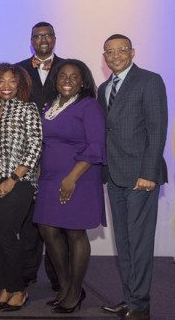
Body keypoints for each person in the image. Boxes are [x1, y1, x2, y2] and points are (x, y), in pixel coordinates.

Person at [98, 34, 167, 320]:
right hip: (114, 176)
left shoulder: (150, 81)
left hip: (141, 177)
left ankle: (140, 304)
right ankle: (128, 298)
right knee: (124, 242)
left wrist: (149, 173)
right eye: (109, 52)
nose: (115, 55)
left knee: (139, 242)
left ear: (132, 52)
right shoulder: (103, 88)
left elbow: (156, 129)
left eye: (121, 50)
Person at [33, 59, 106, 313]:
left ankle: (75, 292)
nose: (67, 80)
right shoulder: (50, 107)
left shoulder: (89, 106)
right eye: (62, 75)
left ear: (83, 81)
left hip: (78, 177)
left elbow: (95, 146)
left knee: (75, 233)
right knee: (47, 230)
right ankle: (64, 285)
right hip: (49, 178)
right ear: (55, 79)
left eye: (74, 76)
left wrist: (72, 177)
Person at [0, 63, 42, 312]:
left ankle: (19, 288)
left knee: (7, 234)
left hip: (19, 183)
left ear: (20, 84)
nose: (6, 86)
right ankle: (5, 286)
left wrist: (12, 179)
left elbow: (35, 147)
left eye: (12, 81)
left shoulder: (29, 110)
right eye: (0, 81)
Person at [17, 21, 63, 291]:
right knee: (29, 216)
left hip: (60, 152)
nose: (43, 39)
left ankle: (58, 275)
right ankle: (27, 272)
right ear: (31, 40)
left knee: (56, 217)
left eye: (47, 35)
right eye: (37, 36)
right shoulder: (19, 69)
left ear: (54, 38)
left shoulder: (70, 68)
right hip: (27, 152)